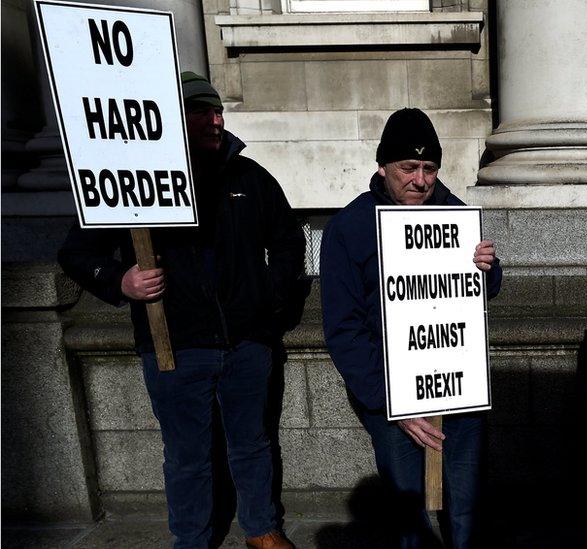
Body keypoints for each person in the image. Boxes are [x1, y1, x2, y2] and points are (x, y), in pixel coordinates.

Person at [58, 72, 305, 549]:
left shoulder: (249, 177)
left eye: (217, 111)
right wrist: (120, 280)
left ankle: (261, 529)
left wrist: (269, 302)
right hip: (174, 346)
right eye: (200, 111)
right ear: (171, 119)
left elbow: (289, 240)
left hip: (247, 344)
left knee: (253, 445)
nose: (214, 120)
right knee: (188, 455)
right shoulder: (133, 182)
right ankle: (191, 540)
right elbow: (76, 252)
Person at [320, 108, 502, 548]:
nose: (420, 180)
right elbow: (343, 331)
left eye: (429, 168)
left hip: (458, 388)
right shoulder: (349, 227)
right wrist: (394, 404)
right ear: (382, 167)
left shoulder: (450, 211)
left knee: (466, 507)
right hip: (390, 395)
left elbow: (483, 289)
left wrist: (488, 268)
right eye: (408, 167)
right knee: (409, 514)